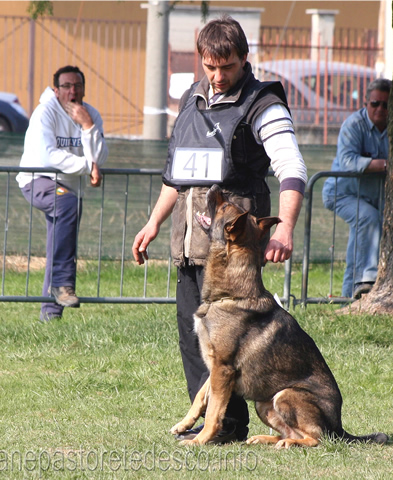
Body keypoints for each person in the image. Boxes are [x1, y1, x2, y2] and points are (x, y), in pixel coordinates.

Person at [131, 15, 307, 444]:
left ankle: (225, 426)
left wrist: (283, 230)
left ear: (244, 59)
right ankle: (217, 425)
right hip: (191, 243)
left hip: (233, 251)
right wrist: (153, 222)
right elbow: (178, 175)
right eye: (210, 66)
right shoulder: (193, 99)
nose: (217, 76)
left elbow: (292, 168)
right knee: (196, 341)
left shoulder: (263, 105)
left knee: (232, 343)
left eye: (226, 67)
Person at [17, 65, 108, 322]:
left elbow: (101, 156)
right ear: (56, 90)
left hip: (68, 188)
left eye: (77, 86)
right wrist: (87, 167)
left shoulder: (91, 114)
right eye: (67, 86)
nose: (73, 91)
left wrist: (88, 126)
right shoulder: (45, 112)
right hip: (38, 179)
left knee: (59, 240)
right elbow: (48, 156)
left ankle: (50, 312)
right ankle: (62, 283)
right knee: (67, 203)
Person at [321, 78, 392, 300]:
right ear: (366, 103)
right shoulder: (353, 125)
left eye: (386, 105)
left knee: (361, 237)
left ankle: (347, 298)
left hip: (372, 198)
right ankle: (366, 281)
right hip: (341, 193)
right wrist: (386, 164)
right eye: (375, 103)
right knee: (368, 219)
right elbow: (348, 162)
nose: (380, 109)